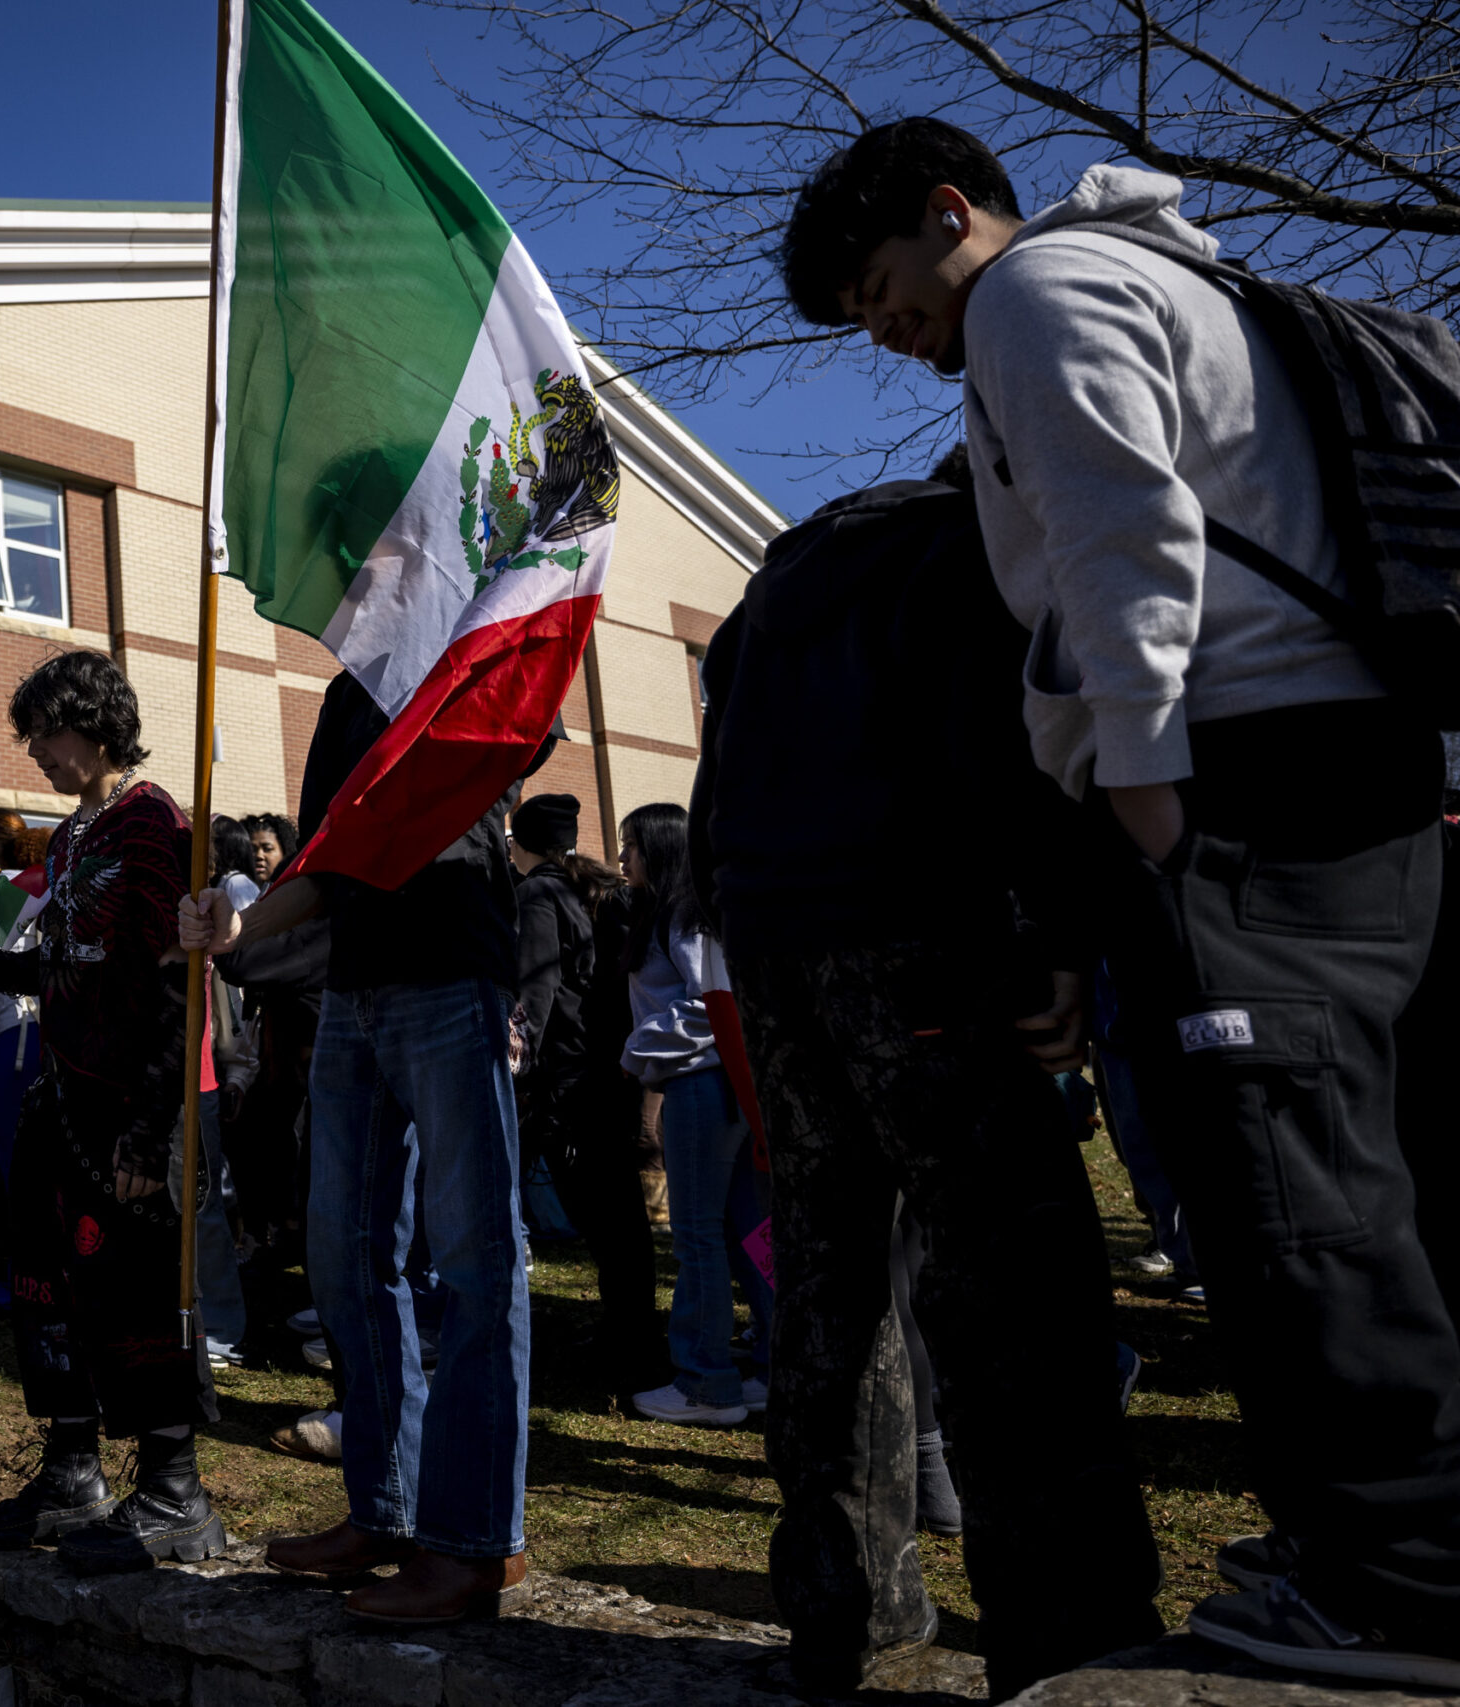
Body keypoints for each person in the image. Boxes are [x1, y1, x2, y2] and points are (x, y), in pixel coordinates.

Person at [783, 115, 1458, 1685]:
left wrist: (1141, 780)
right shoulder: (1185, 283)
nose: (891, 335)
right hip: (1349, 760)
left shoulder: (1039, 295)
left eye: (886, 291)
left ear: (954, 213)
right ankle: (1385, 1535)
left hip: (1234, 773)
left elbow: (1120, 527)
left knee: (1293, 1196)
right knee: (1365, 1163)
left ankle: (1403, 1584)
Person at [686, 453, 1163, 1691]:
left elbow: (716, 755)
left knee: (829, 1277)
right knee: (1007, 1270)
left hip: (780, 937)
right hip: (917, 934)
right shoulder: (974, 544)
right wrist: (1055, 933)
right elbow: (1003, 747)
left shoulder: (795, 560)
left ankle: (848, 1609)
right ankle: (1070, 1633)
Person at [180, 674, 548, 1623]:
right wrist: (240, 922)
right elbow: (329, 859)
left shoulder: (465, 627)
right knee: (342, 1252)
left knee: (474, 1256)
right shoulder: (347, 689)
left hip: (449, 971)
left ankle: (473, 1542)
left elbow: (531, 722)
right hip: (354, 987)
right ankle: (384, 1509)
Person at [0, 650, 223, 1574]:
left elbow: (170, 982)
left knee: (137, 1286)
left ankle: (176, 1490)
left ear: (97, 725)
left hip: (127, 1105)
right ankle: (73, 1471)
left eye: (47, 733)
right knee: (48, 1282)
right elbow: (86, 959)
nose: (37, 751)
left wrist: (153, 1126)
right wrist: (10, 970)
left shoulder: (155, 827)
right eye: (28, 737)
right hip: (60, 1094)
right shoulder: (73, 834)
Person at [616, 803, 771, 1428]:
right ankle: (771, 1363)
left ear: (660, 849)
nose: (623, 857)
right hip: (724, 1088)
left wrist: (635, 1051)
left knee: (700, 1235)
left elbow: (713, 1005)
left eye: (631, 846)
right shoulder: (683, 914)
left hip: (705, 1089)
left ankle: (707, 1382)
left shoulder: (685, 916)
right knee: (749, 1232)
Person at [509, 794, 663, 1399]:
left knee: (608, 1221)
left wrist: (515, 1069)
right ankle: (630, 1334)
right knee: (619, 1220)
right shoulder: (597, 889)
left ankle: (631, 1347)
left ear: (520, 845)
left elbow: (534, 994)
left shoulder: (538, 896)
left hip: (569, 1088)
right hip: (609, 1076)